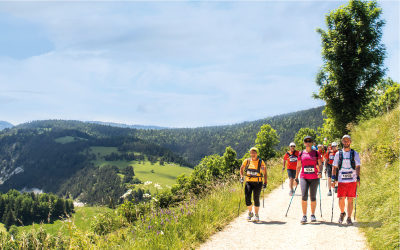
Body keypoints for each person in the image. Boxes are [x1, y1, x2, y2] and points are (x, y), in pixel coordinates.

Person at [331, 135, 361, 226]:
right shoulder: (338, 154)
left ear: (350, 142)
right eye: (344, 141)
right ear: (342, 142)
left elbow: (358, 166)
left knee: (350, 199)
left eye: (348, 141)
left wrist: (358, 178)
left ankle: (349, 218)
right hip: (341, 180)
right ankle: (342, 212)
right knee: (341, 199)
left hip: (352, 179)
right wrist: (333, 179)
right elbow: (334, 167)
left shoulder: (354, 153)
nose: (346, 142)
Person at [295, 136, 322, 224]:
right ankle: (304, 215)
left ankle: (313, 214)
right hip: (304, 177)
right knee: (304, 196)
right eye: (306, 141)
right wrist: (296, 177)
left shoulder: (316, 153)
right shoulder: (301, 153)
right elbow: (298, 166)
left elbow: (320, 164)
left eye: (309, 141)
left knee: (313, 197)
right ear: (304, 143)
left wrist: (320, 171)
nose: (308, 142)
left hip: (314, 177)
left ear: (312, 143)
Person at [240, 147, 267, 222]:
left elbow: (265, 173)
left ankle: (256, 214)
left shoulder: (261, 162)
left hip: (258, 182)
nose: (253, 154)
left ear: (257, 153)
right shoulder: (247, 161)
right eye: (251, 153)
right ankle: (250, 212)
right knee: (247, 198)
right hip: (248, 182)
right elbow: (241, 168)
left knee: (256, 198)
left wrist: (265, 182)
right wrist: (242, 177)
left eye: (254, 153)